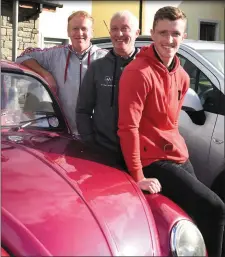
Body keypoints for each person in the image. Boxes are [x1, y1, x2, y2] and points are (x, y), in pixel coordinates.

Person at [117, 6, 225, 257]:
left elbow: (170, 124)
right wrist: (138, 175)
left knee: (196, 213)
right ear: (152, 34)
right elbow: (128, 127)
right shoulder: (137, 73)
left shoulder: (182, 75)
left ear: (183, 36)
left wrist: (180, 151)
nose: (169, 40)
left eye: (175, 33)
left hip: (177, 155)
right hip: (151, 159)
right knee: (216, 208)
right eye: (163, 33)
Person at [16, 11, 107, 135]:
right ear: (68, 32)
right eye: (75, 28)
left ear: (92, 32)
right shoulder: (55, 55)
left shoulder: (106, 58)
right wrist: (46, 74)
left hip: (95, 136)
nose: (79, 33)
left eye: (84, 28)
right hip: (65, 134)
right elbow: (23, 56)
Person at [76, 10, 140, 155]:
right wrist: (90, 141)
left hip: (142, 153)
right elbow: (83, 110)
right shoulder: (97, 67)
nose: (119, 34)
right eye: (114, 29)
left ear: (137, 32)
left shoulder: (147, 67)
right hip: (103, 151)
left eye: (125, 28)